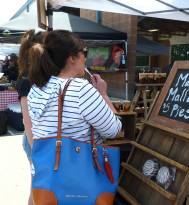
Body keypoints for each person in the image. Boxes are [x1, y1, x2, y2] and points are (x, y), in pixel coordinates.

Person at [27, 30, 122, 204]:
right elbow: (114, 130)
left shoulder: (37, 88)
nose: (85, 58)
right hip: (80, 180)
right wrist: (104, 94)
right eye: (83, 52)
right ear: (72, 58)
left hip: (49, 177)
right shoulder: (80, 89)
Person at [16, 29, 47, 205]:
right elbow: (27, 120)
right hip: (34, 141)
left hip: (37, 141)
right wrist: (37, 150)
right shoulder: (27, 79)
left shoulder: (32, 77)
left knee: (38, 188)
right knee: (38, 190)